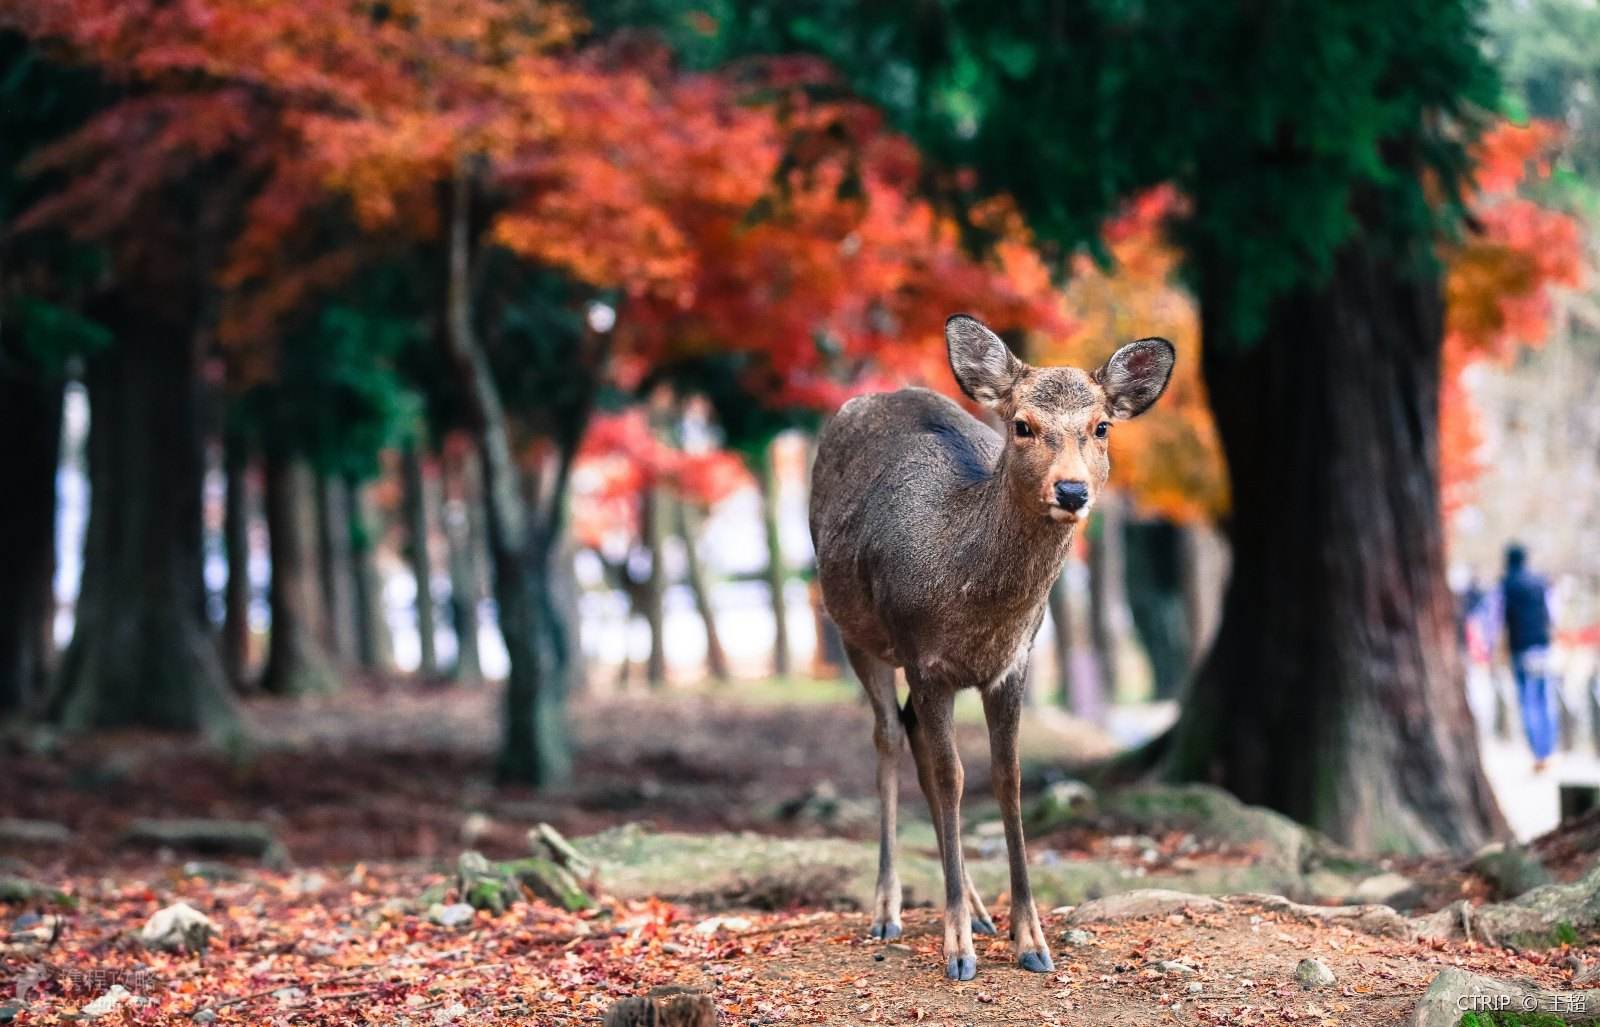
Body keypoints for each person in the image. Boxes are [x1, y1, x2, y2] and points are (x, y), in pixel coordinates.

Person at [1501, 544, 1555, 772]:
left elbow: (1496, 618)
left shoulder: (1507, 585)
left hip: (1521, 649)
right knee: (1544, 699)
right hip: (1542, 647)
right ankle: (1547, 749)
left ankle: (1538, 753)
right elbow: (1552, 613)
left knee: (1528, 701)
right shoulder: (1540, 582)